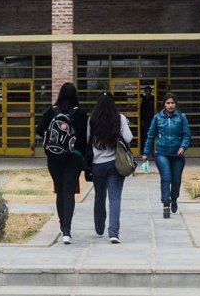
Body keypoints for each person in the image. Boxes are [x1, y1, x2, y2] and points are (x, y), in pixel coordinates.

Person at [36, 82, 88, 244]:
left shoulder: (52, 111)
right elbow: (86, 137)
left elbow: (39, 129)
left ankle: (61, 225)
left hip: (54, 158)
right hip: (74, 157)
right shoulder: (79, 113)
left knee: (60, 191)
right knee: (68, 192)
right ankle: (67, 230)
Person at [87, 92, 133, 244]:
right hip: (115, 163)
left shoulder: (92, 120)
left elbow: (87, 139)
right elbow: (128, 138)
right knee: (115, 198)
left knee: (99, 196)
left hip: (97, 164)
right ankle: (113, 233)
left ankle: (99, 228)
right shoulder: (120, 119)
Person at [141, 92, 191, 219]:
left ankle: (174, 199)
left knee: (176, 180)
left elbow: (187, 135)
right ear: (164, 105)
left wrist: (183, 147)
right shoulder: (157, 118)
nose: (170, 105)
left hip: (177, 155)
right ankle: (166, 204)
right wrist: (146, 152)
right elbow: (150, 136)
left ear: (176, 104)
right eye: (168, 103)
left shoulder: (181, 117)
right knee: (166, 177)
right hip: (162, 153)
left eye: (172, 103)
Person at [139, 86, 154, 152]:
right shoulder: (144, 99)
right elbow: (141, 110)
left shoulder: (153, 99)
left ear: (151, 91)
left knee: (152, 134)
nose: (147, 92)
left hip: (152, 119)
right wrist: (141, 120)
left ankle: (152, 150)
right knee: (145, 135)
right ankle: (145, 150)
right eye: (146, 91)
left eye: (148, 91)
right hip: (145, 120)